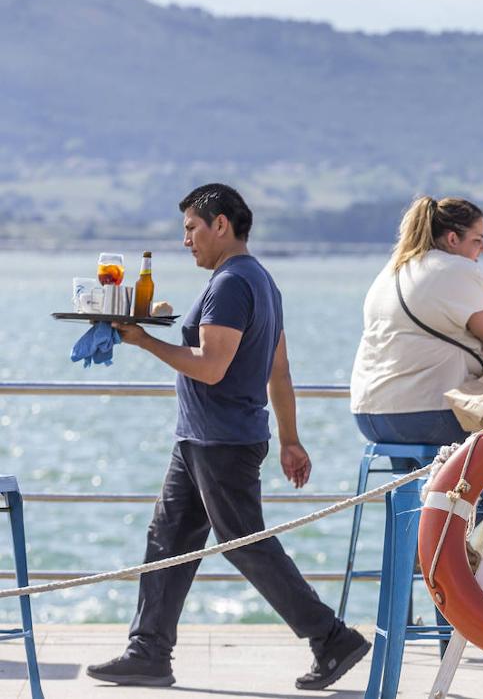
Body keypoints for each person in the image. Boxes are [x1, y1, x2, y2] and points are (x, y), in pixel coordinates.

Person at [89, 184, 368, 690]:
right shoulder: (260, 281)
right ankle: (148, 650)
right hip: (204, 439)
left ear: (221, 225)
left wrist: (143, 340)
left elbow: (211, 367)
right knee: (169, 539)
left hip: (222, 442)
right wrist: (289, 439)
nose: (187, 241)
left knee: (245, 544)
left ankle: (331, 637)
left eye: (192, 229)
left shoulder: (232, 284)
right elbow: (278, 369)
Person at [350, 196, 483, 451]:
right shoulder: (456, 269)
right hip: (426, 415)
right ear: (453, 239)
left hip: (368, 415)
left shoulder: (394, 269)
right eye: (478, 240)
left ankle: (419, 491)